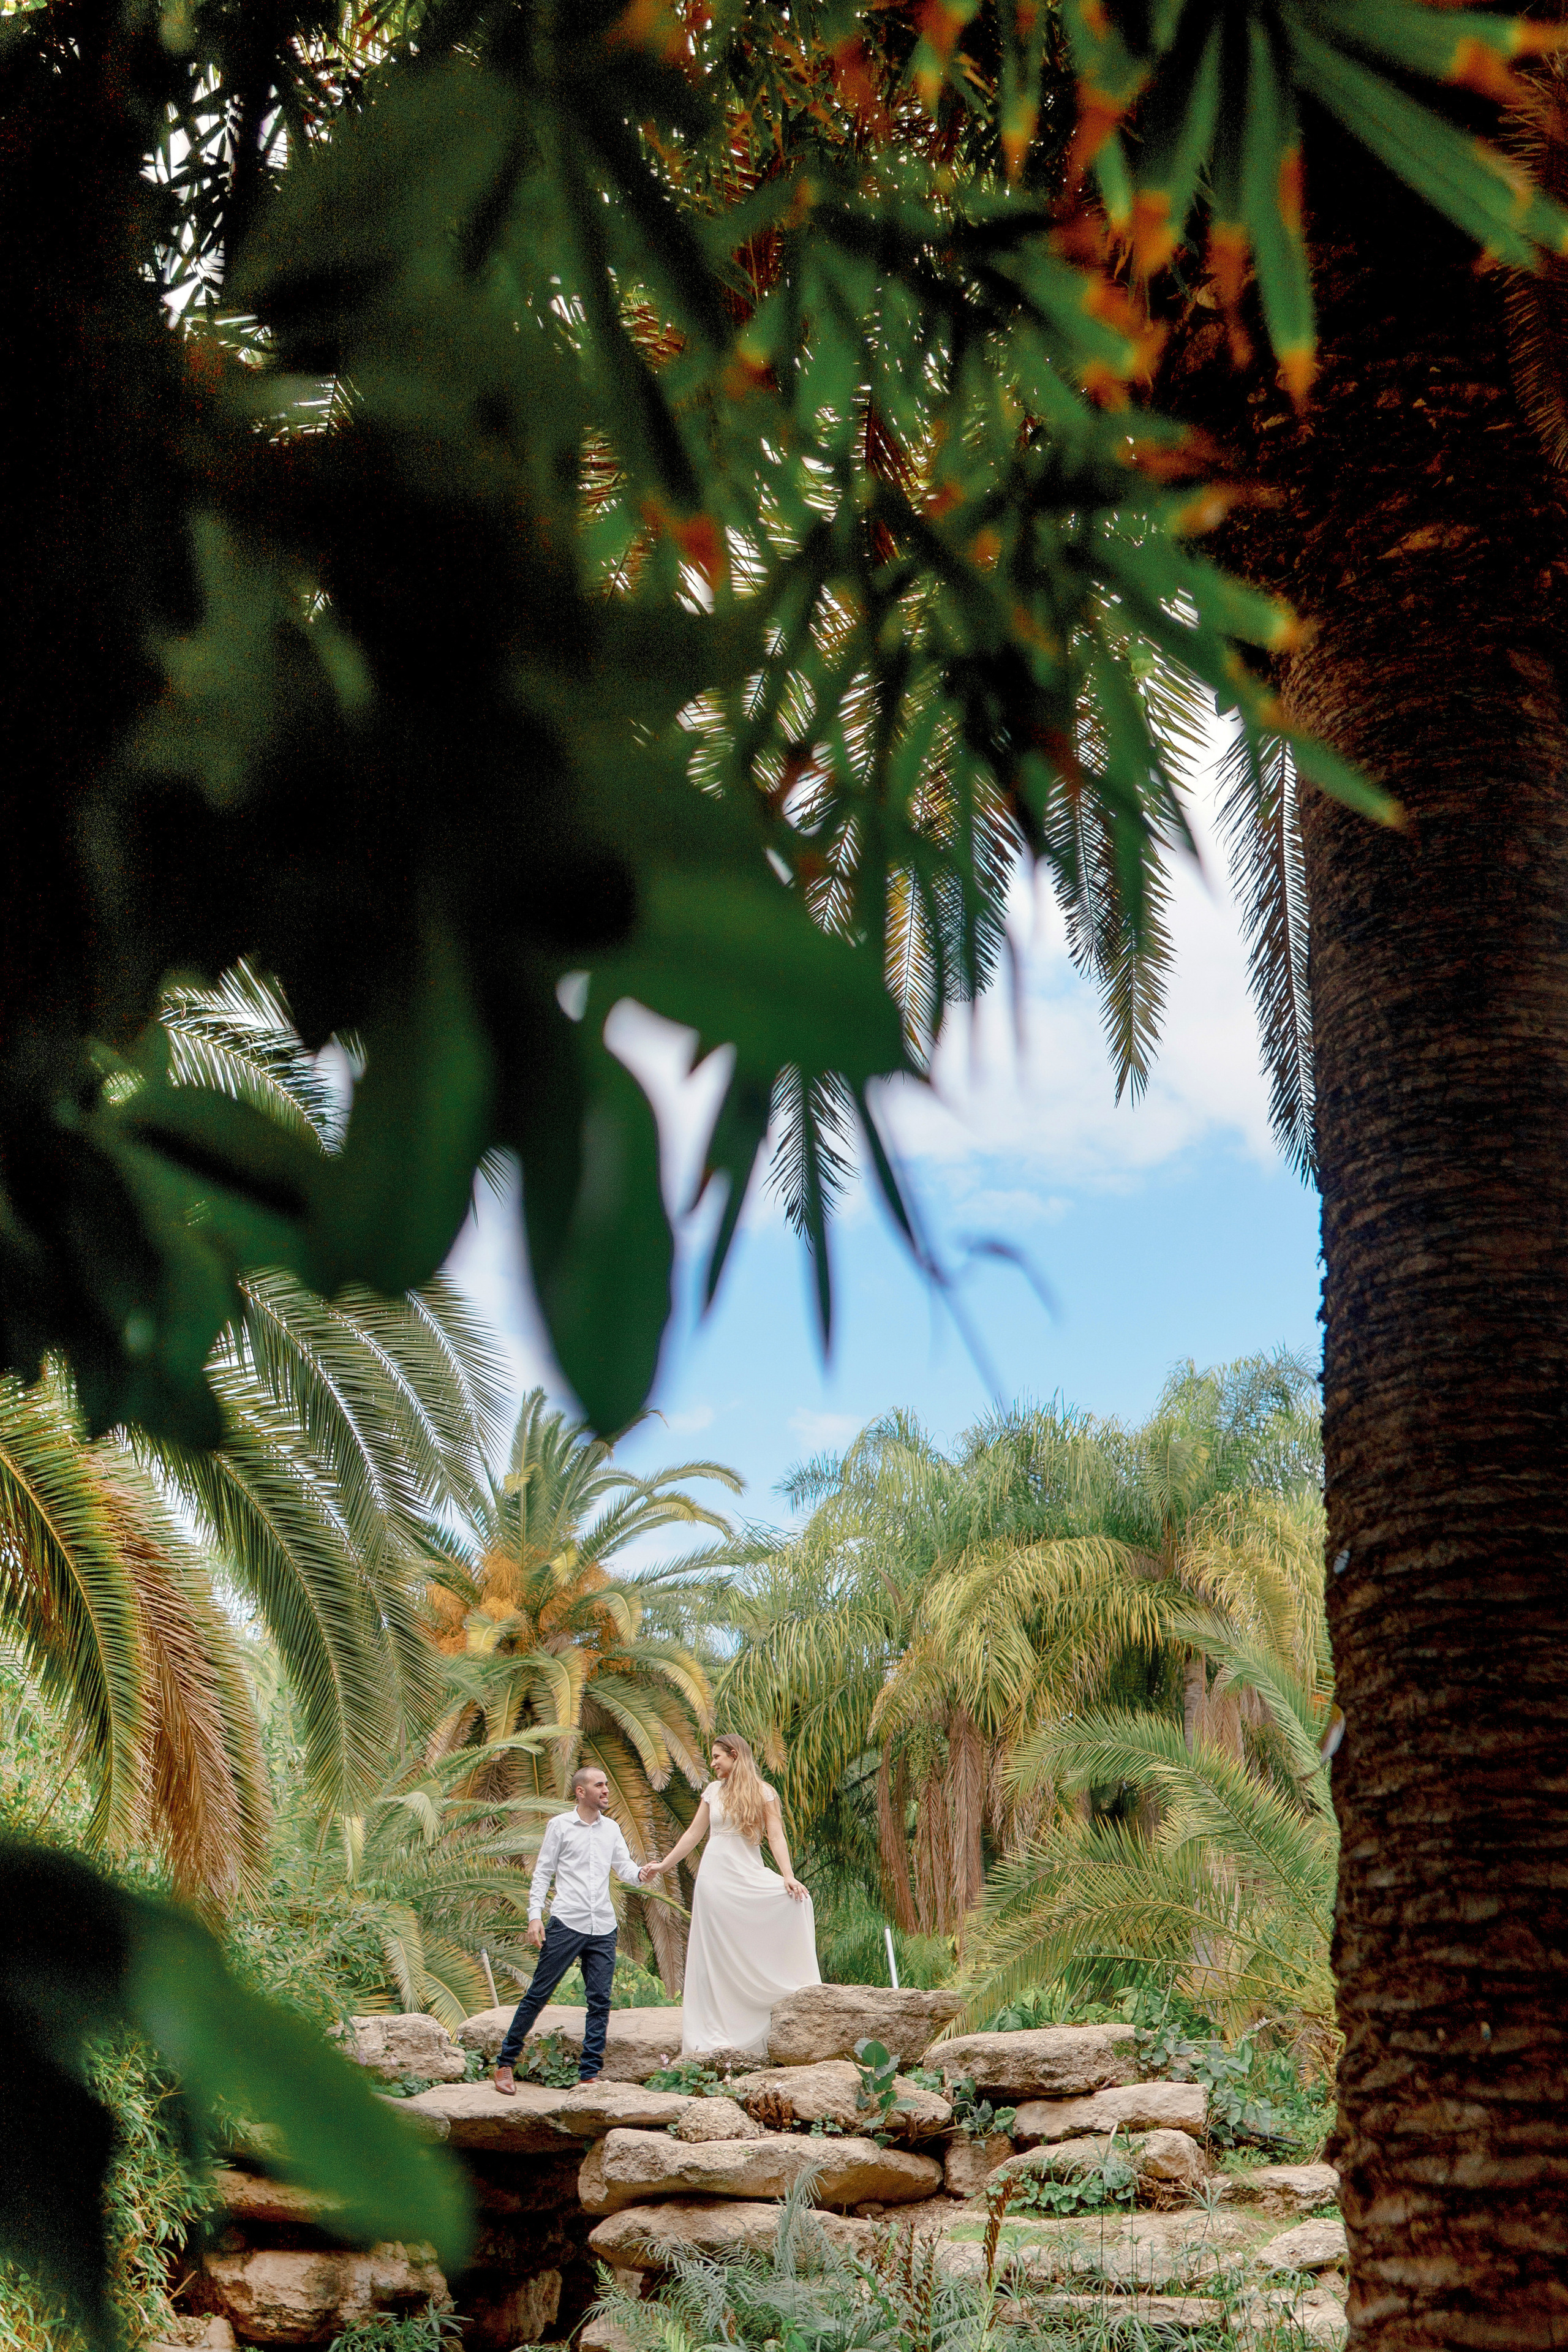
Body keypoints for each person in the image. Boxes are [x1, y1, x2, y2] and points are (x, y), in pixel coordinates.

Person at [639, 1731, 819, 2060]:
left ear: (734, 1755)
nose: (712, 1763)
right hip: (715, 1878)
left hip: (747, 1873)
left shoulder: (765, 1793)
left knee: (796, 1902)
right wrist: (663, 1866)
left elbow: (776, 1837)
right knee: (716, 1951)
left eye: (717, 1757)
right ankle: (717, 2026)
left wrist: (789, 1877)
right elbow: (694, 1834)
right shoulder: (712, 1792)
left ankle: (785, 1996)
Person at [493, 1763, 643, 2092]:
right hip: (567, 1923)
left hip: (603, 1926)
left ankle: (589, 2075)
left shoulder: (612, 1829)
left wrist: (644, 1873)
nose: (606, 1790)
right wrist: (535, 1916)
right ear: (581, 1791)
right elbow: (543, 1873)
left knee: (600, 2000)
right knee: (539, 1994)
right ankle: (505, 2064)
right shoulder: (559, 1826)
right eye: (600, 1785)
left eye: (607, 1785)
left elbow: (626, 1868)